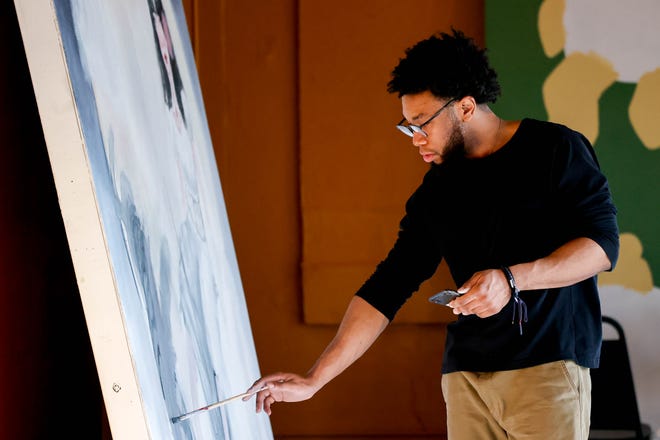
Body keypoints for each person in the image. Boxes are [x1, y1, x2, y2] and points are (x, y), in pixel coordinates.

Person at [246, 29, 619, 439]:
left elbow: (601, 247)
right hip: (465, 379)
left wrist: (512, 279)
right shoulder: (436, 191)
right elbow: (387, 287)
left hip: (548, 368)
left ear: (465, 107)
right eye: (407, 127)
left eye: (421, 124)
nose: (416, 139)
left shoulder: (555, 149)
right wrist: (314, 379)